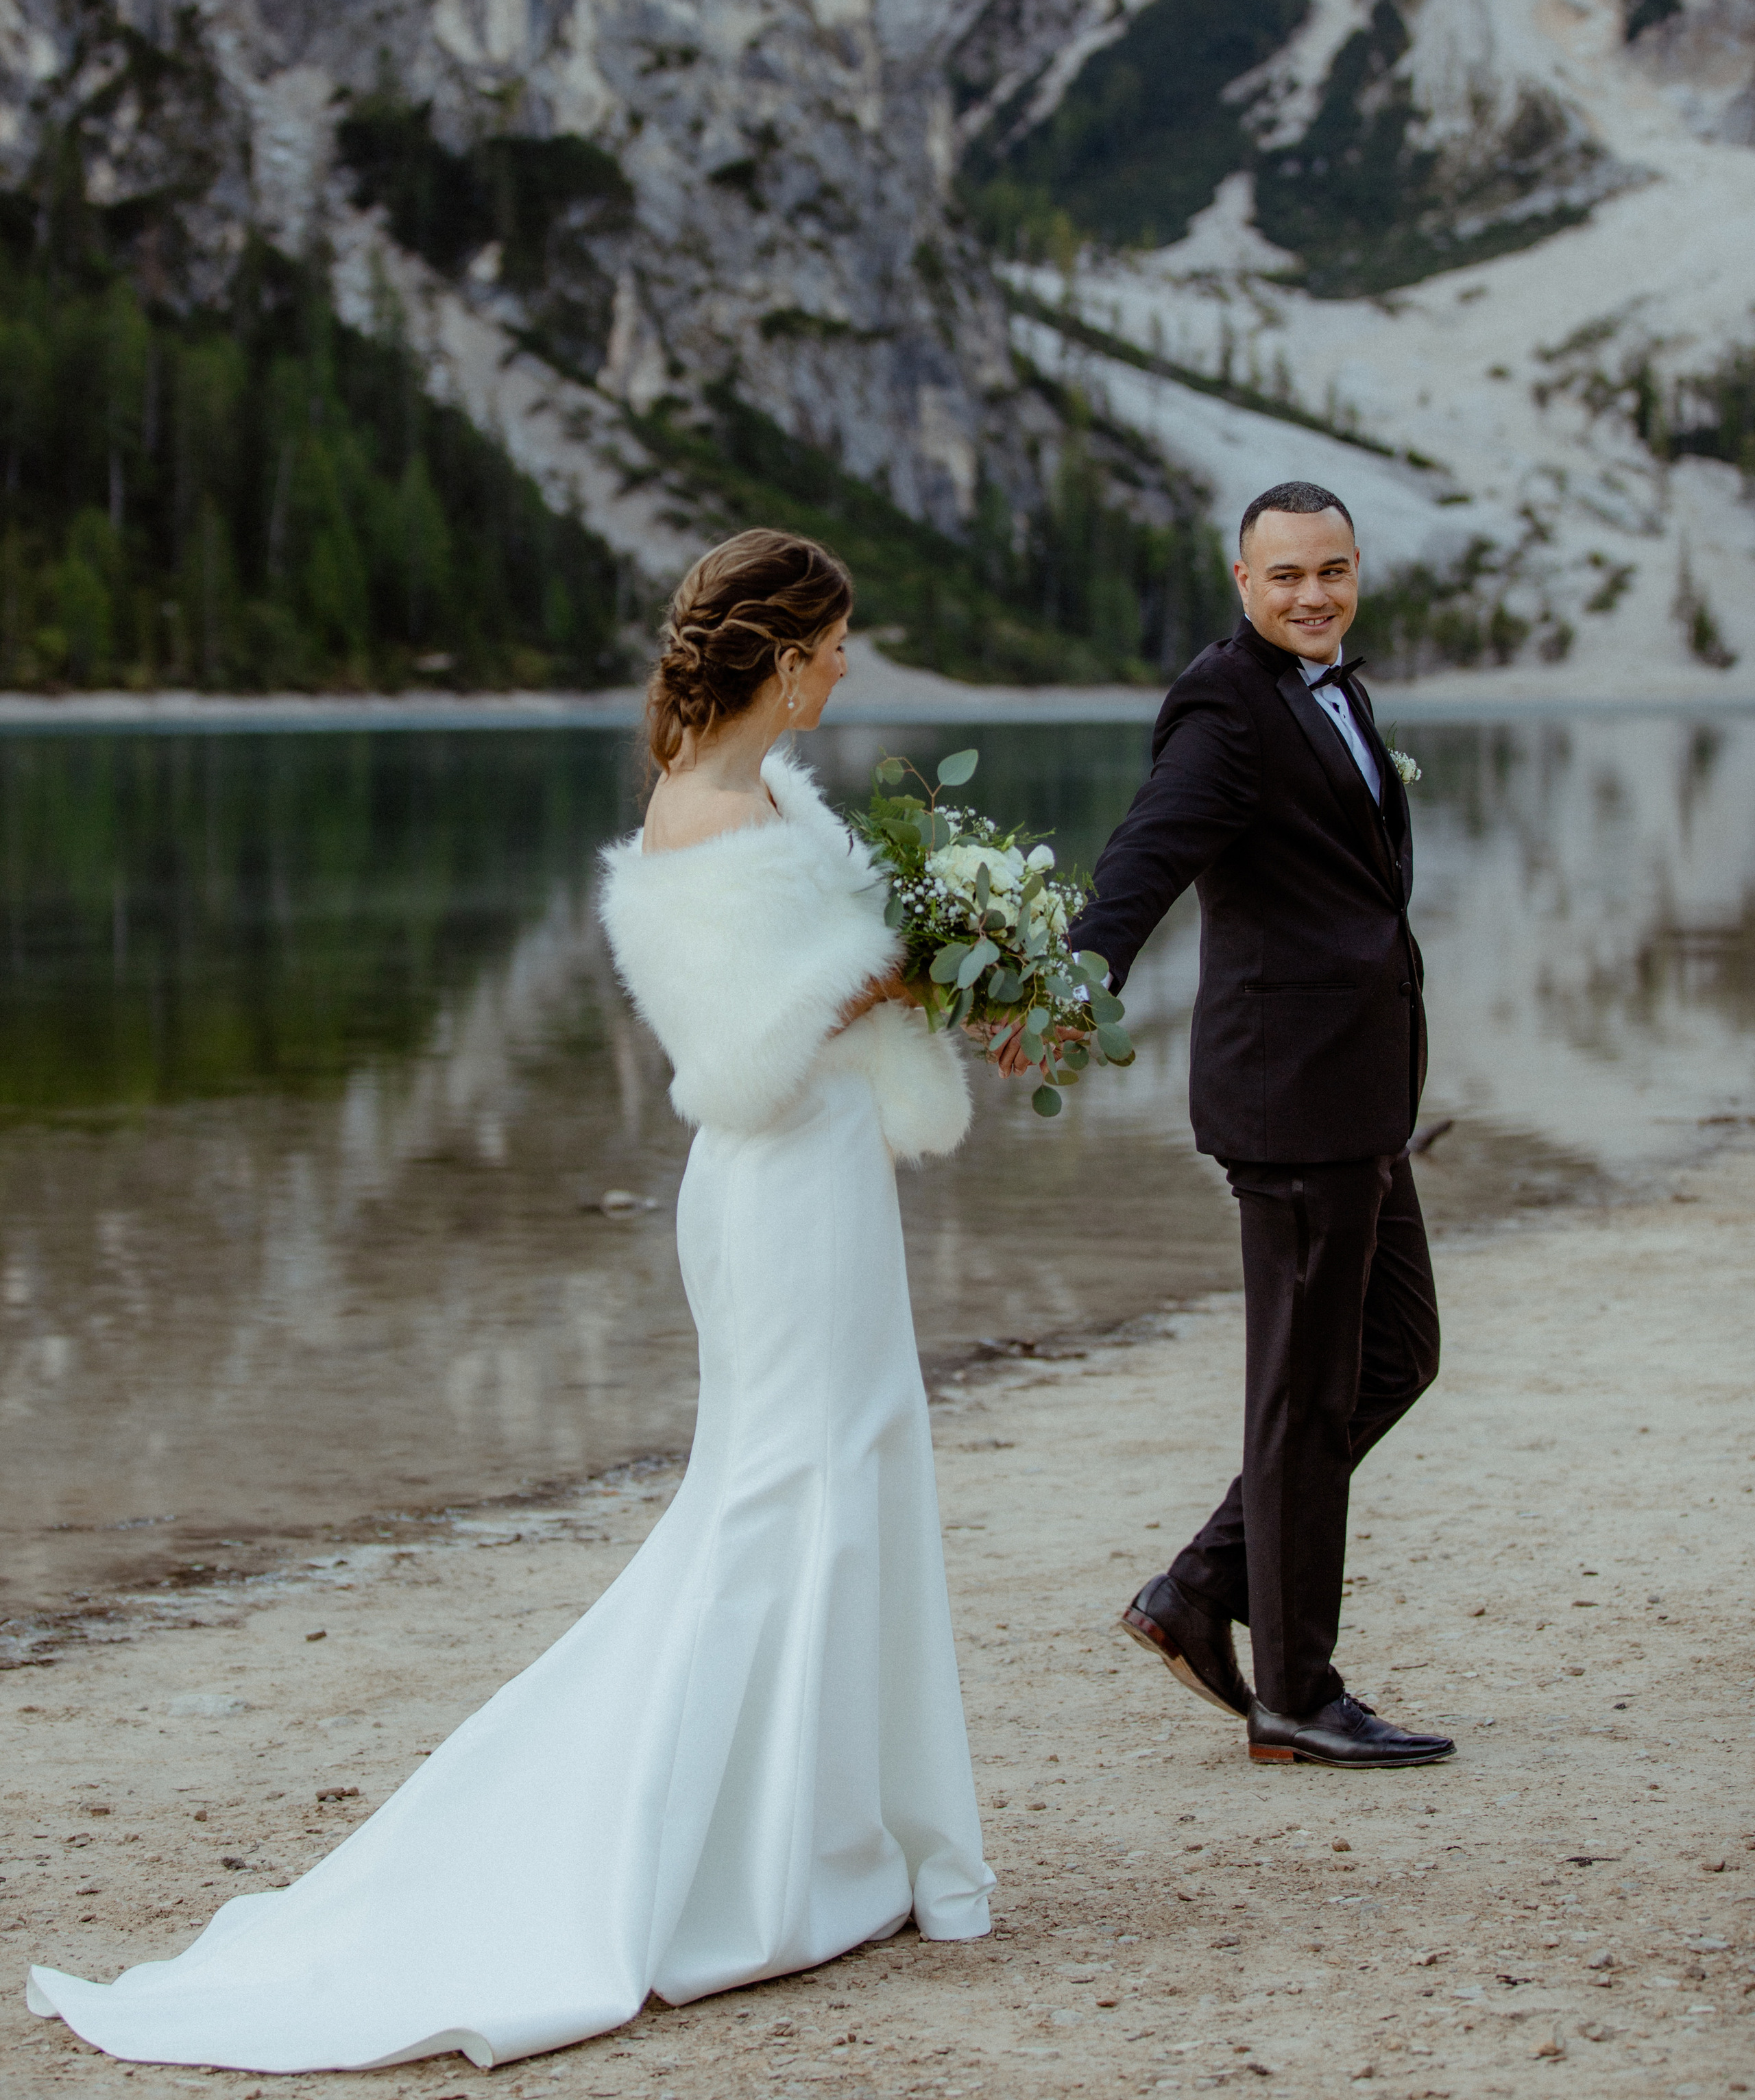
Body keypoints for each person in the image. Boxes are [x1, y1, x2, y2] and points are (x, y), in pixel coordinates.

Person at [27, 528, 991, 2074]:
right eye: (830, 643)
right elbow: (733, 1062)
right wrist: (877, 977)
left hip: (828, 1187)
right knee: (777, 1500)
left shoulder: (769, 801)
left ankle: (836, 1842)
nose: (843, 666)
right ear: (774, 650)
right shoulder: (707, 818)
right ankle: (734, 1869)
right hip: (774, 1193)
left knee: (853, 1477)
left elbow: (822, 1016)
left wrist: (925, 979)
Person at [1066, 481, 1453, 1770]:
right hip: (1291, 1099)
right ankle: (1295, 1691)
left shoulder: (1331, 686)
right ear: (1242, 582)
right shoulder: (1226, 701)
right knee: (1304, 1397)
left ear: (1357, 574)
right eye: (1285, 576)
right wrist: (1085, 972)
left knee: (1397, 1354)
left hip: (1360, 1090)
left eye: (1332, 571)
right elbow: (1152, 848)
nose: (1311, 596)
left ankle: (1195, 1589)